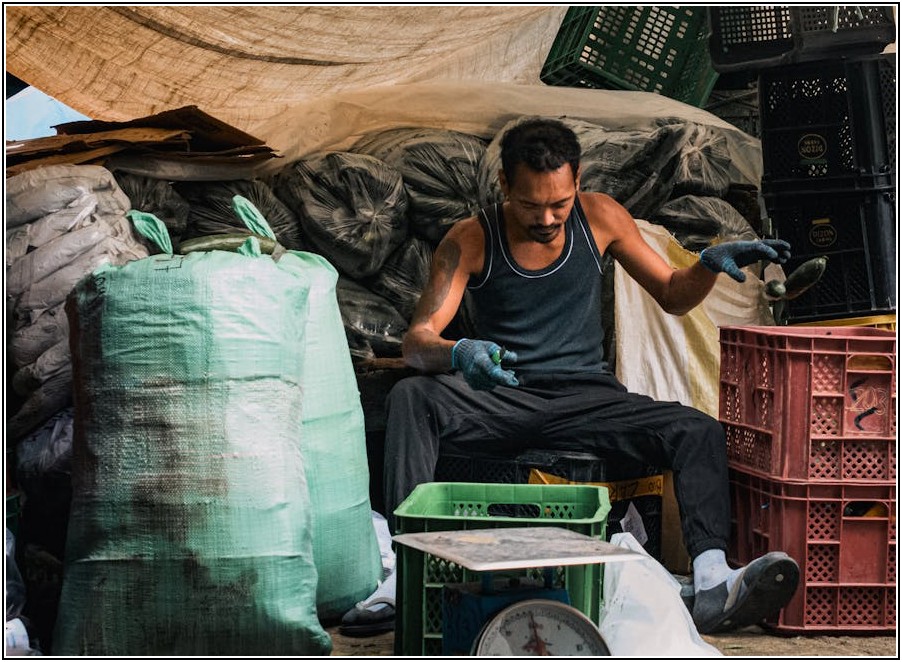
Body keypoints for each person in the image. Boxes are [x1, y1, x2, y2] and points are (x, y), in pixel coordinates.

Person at [382, 117, 799, 635]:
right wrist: (458, 350)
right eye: (531, 205)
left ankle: (713, 581)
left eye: (559, 202)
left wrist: (706, 268)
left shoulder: (600, 217)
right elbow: (417, 341)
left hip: (587, 399)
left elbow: (672, 294)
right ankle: (403, 567)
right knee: (411, 396)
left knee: (697, 430)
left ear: (577, 180)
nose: (548, 218)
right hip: (504, 397)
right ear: (505, 187)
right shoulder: (471, 238)